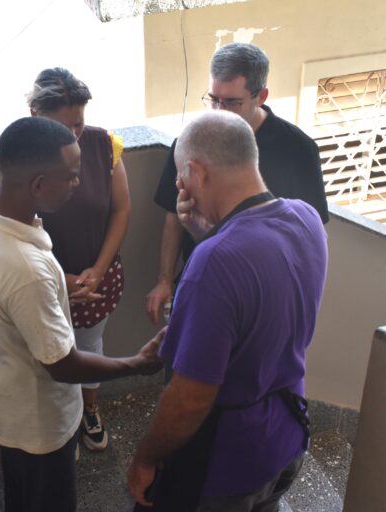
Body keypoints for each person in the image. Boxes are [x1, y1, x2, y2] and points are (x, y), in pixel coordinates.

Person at [127, 110, 328, 511]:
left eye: (182, 179)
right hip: (287, 436)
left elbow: (190, 399)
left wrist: (145, 459)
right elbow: (259, 290)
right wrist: (206, 234)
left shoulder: (214, 263)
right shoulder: (305, 217)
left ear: (196, 172)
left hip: (228, 463)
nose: (181, 188)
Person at [0, 116, 162, 512]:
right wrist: (136, 364)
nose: (78, 183)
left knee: (23, 495)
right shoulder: (26, 271)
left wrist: (55, 285)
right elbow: (63, 365)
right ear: (37, 184)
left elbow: (3, 291)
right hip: (41, 425)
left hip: (4, 401)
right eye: (71, 176)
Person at [0, 68, 131, 452]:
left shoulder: (104, 145)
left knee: (90, 346)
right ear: (34, 115)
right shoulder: (11, 159)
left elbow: (120, 210)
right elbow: (6, 229)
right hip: (39, 284)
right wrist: (63, 279)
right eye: (62, 126)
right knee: (49, 357)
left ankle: (89, 410)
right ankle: (62, 424)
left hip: (95, 279)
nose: (73, 135)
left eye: (78, 123)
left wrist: (97, 271)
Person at [146, 42, 329, 325]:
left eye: (232, 102)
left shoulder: (298, 150)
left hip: (265, 296)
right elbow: (173, 216)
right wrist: (164, 280)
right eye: (213, 99)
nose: (220, 111)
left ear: (261, 96)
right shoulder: (192, 142)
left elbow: (310, 236)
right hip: (202, 282)